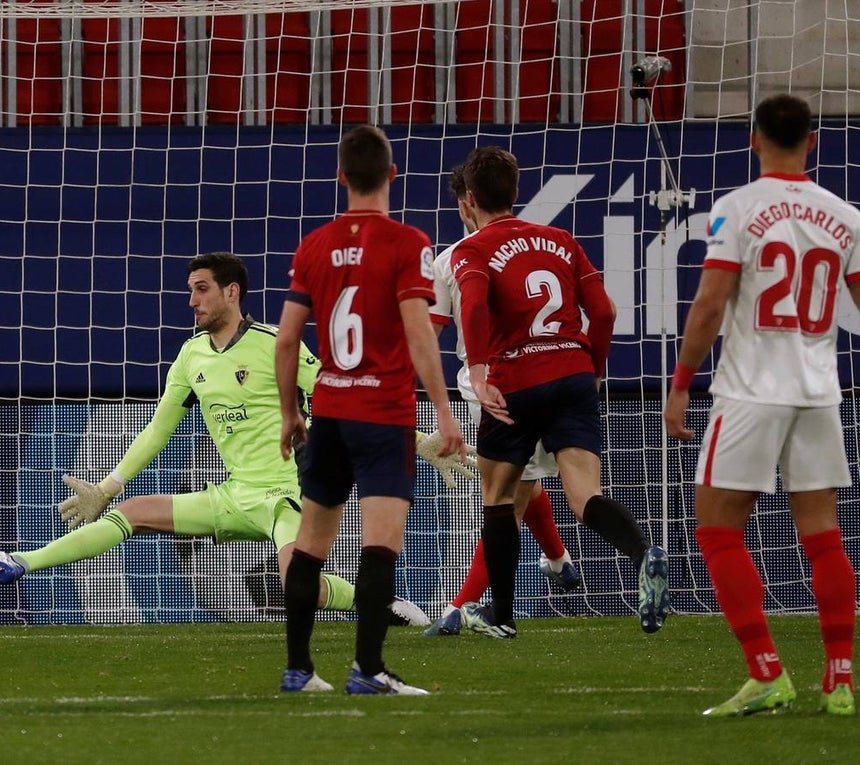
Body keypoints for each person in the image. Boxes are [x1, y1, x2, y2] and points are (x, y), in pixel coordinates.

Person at [0, 252, 429, 627]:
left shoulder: (274, 344)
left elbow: (341, 393)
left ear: (231, 292)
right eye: (190, 291)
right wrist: (107, 488)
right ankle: (17, 562)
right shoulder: (191, 355)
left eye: (201, 290)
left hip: (287, 496)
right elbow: (159, 428)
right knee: (132, 513)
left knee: (293, 586)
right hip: (233, 494)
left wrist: (416, 434)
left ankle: (377, 599)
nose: (192, 301)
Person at [663, 94, 860, 718]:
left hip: (748, 390)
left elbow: (711, 303)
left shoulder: (737, 208)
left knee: (716, 529)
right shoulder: (846, 217)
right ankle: (840, 679)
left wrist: (682, 379)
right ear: (813, 142)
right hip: (819, 393)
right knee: (823, 537)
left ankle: (767, 672)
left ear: (754, 140)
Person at [275, 125, 466, 695]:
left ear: (341, 178)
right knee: (379, 544)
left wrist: (290, 413)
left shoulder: (313, 245)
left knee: (310, 544)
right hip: (382, 412)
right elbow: (417, 332)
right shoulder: (409, 244)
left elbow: (287, 341)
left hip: (329, 410)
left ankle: (299, 670)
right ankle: (368, 669)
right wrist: (444, 410)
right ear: (391, 174)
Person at [450, 146, 670, 639]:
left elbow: (475, 306)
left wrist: (481, 371)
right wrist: (593, 368)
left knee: (498, 496)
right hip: (573, 372)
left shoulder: (472, 249)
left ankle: (501, 614)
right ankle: (643, 552)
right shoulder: (561, 240)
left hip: (515, 381)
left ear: (468, 201)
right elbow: (606, 312)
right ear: (516, 191)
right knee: (583, 494)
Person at [423, 166, 583, 638]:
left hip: (505, 383)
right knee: (517, 487)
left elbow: (428, 334)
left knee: (509, 496)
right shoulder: (542, 247)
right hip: (498, 387)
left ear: (467, 202)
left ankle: (462, 606)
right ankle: (556, 560)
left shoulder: (454, 258)